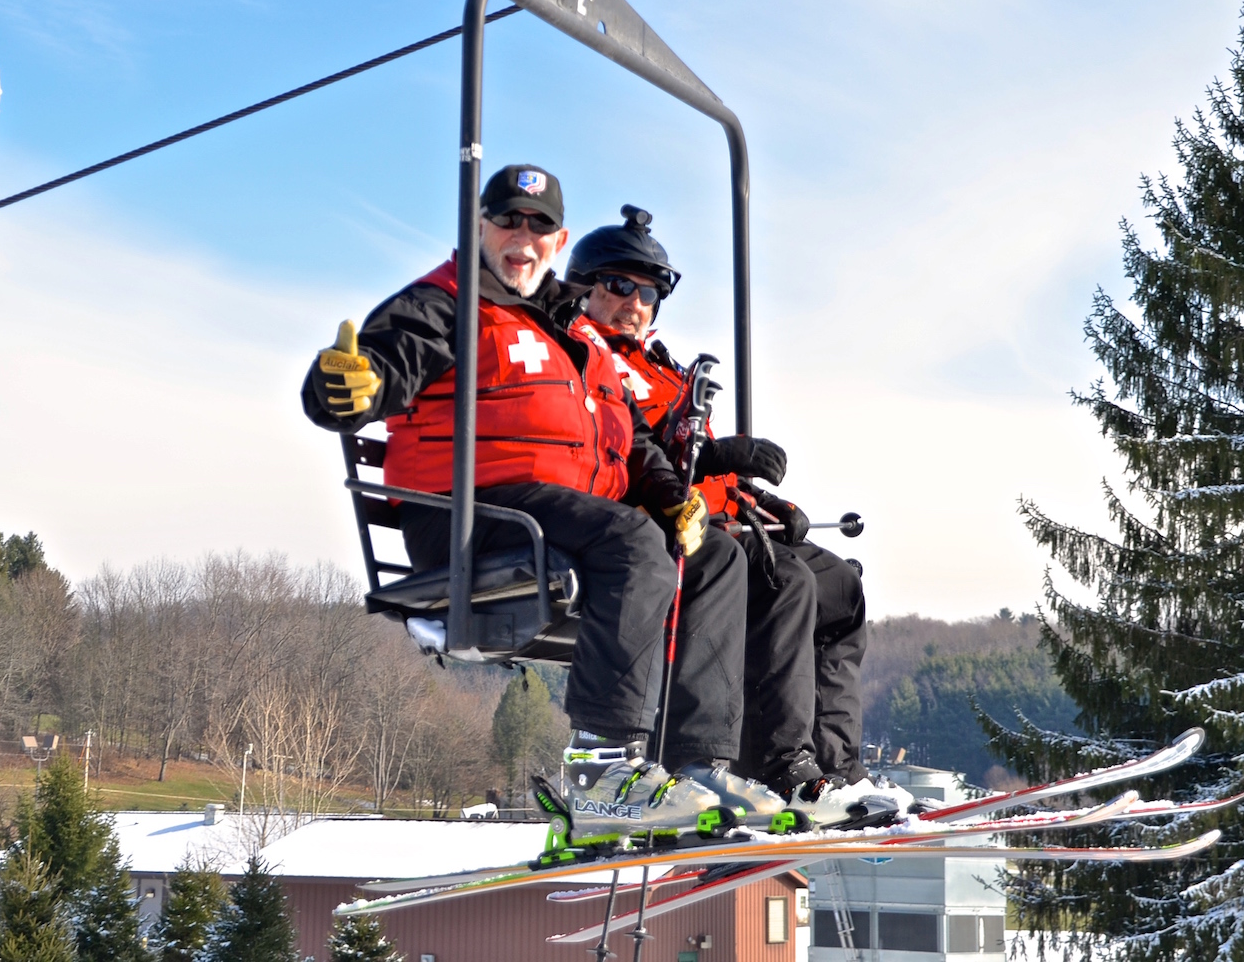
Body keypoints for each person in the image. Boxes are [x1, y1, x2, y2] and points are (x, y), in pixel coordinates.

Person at [301, 164, 762, 843]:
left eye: (539, 225)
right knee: (631, 544)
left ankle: (697, 765)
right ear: (480, 227)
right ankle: (603, 771)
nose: (523, 236)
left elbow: (626, 434)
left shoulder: (574, 332)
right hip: (473, 515)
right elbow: (384, 365)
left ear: (558, 240)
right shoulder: (446, 305)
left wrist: (670, 497)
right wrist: (349, 387)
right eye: (508, 219)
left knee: (716, 554)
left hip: (554, 512)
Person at [567, 205, 870, 812]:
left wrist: (758, 498)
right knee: (784, 582)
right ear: (585, 288)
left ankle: (833, 766)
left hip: (700, 508)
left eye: (649, 292)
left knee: (840, 587)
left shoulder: (660, 366)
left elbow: (690, 453)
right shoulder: (584, 357)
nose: (636, 302)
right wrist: (706, 474)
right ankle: (753, 762)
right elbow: (638, 453)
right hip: (649, 516)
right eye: (620, 285)